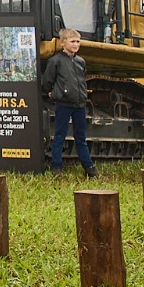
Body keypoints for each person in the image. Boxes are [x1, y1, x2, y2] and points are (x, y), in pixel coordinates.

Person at [43, 28, 97, 178]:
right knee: (60, 135)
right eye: (72, 41)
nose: (76, 44)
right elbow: (47, 81)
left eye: (78, 42)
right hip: (64, 105)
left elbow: (82, 79)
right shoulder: (55, 61)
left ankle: (89, 167)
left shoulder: (81, 62)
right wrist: (52, 92)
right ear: (63, 43)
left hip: (79, 105)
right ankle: (56, 167)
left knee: (81, 137)